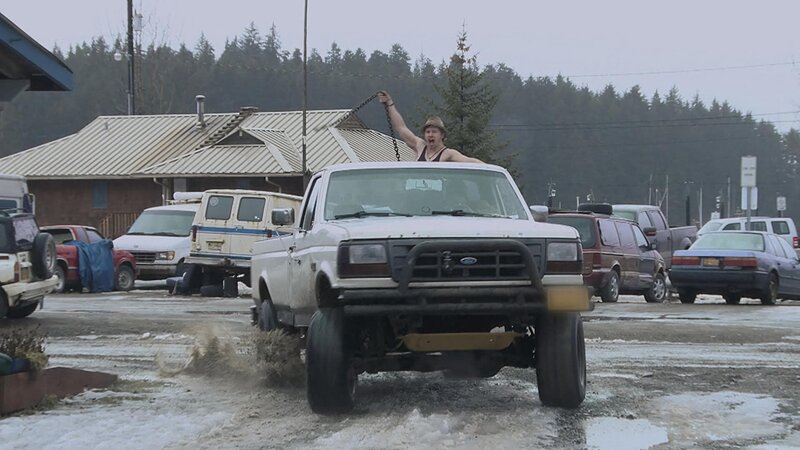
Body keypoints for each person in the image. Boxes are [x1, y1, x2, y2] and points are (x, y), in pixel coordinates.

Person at [377, 90, 483, 163]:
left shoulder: (448, 154)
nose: (430, 135)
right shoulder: (419, 145)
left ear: (442, 135)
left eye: (434, 132)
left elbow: (470, 161)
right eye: (428, 132)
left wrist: (489, 168)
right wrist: (389, 103)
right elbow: (401, 128)